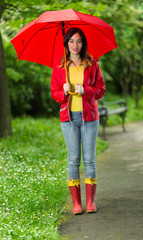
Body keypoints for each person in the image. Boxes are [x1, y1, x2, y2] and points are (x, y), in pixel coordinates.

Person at [50, 27, 106, 214]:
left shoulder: (92, 64)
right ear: (66, 43)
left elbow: (101, 90)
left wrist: (86, 91)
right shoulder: (60, 67)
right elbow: (54, 94)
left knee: (89, 160)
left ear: (83, 43)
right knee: (73, 161)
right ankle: (76, 204)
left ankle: (90, 202)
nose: (75, 45)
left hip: (89, 117)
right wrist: (63, 92)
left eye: (79, 41)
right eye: (72, 41)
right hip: (69, 118)